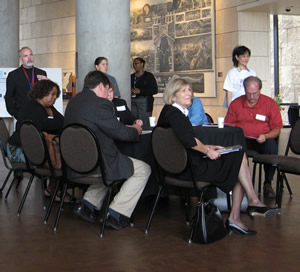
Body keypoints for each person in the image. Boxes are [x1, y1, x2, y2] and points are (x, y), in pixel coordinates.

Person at [158, 77, 278, 235]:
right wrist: (208, 151)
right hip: (187, 170)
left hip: (179, 165)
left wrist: (208, 146)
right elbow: (189, 141)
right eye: (184, 91)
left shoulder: (171, 112)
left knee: (238, 156)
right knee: (238, 160)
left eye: (189, 90)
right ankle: (245, 208)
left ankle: (249, 203)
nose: (189, 93)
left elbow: (184, 139)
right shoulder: (175, 114)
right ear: (173, 96)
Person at [64, 70, 151, 230]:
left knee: (110, 166)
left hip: (75, 162)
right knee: (143, 169)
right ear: (101, 86)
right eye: (108, 88)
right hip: (97, 163)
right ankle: (116, 213)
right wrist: (137, 130)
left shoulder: (74, 102)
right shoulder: (100, 103)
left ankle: (88, 205)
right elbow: (121, 133)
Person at [6, 80, 71, 201]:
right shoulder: (31, 107)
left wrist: (50, 123)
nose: (54, 98)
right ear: (43, 92)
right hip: (18, 150)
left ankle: (54, 189)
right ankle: (55, 189)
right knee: (61, 157)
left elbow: (62, 121)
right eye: (52, 94)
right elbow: (43, 124)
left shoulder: (48, 107)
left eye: (56, 95)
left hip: (33, 147)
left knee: (62, 155)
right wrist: (51, 123)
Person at [225, 76, 283, 198]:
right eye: (248, 94)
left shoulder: (269, 104)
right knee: (237, 149)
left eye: (255, 94)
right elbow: (228, 125)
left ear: (260, 90)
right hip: (243, 139)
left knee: (271, 147)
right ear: (244, 91)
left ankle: (268, 183)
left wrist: (266, 136)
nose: (251, 97)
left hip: (262, 139)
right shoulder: (236, 104)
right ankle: (243, 184)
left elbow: (277, 129)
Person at [5, 47, 48, 121]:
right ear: (21, 59)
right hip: (22, 115)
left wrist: (47, 83)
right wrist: (14, 113)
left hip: (39, 114)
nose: (29, 58)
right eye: (25, 56)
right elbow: (9, 96)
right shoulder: (13, 75)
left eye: (31, 55)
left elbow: (47, 94)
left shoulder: (41, 73)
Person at [131, 57, 158, 126]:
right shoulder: (131, 76)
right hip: (133, 101)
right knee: (133, 120)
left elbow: (154, 90)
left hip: (144, 101)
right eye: (133, 64)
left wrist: (140, 91)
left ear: (142, 64)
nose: (134, 65)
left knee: (144, 121)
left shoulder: (149, 76)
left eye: (136, 63)